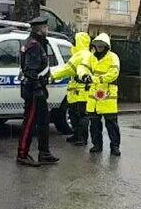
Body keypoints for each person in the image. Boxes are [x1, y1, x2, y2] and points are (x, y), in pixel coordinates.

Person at [17, 16, 59, 167]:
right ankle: (22, 154)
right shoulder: (34, 46)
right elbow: (30, 70)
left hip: (38, 88)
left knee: (43, 120)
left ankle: (44, 152)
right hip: (34, 90)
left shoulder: (38, 43)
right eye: (46, 28)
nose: (47, 30)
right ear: (41, 30)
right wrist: (37, 89)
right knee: (29, 122)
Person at [51, 32, 92, 146]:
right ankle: (77, 135)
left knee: (80, 115)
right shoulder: (85, 54)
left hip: (81, 91)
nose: (72, 43)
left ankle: (81, 138)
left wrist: (52, 75)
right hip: (78, 91)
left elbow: (67, 69)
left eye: (74, 41)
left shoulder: (81, 55)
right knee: (75, 114)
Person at [86, 33, 121, 156]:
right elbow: (83, 68)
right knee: (94, 123)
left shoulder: (113, 57)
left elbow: (114, 73)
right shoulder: (91, 57)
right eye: (97, 46)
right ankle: (97, 145)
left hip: (108, 97)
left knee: (111, 124)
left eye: (102, 46)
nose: (99, 48)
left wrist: (96, 79)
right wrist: (84, 75)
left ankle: (115, 146)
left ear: (107, 46)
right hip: (94, 98)